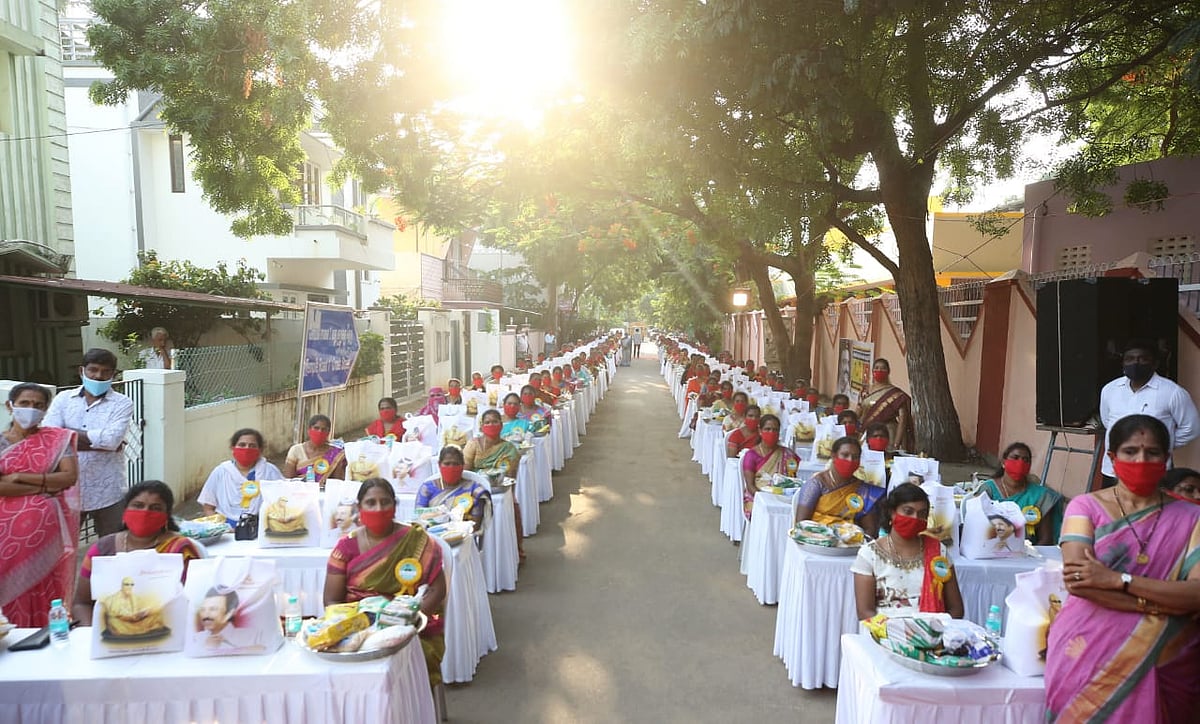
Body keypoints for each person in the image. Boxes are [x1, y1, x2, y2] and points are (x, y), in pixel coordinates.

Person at [1046, 414, 1200, 720]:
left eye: (1152, 453)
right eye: (1131, 451)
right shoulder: (1084, 507)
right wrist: (1164, 604)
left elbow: (1196, 595)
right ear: (1112, 457)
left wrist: (1116, 579)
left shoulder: (1192, 517)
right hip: (1088, 648)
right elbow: (1080, 582)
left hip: (1167, 656)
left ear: (1166, 458)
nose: (1141, 459)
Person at [325, 479, 448, 684]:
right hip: (357, 629)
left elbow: (438, 589)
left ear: (395, 506)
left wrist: (407, 623)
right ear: (359, 507)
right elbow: (331, 600)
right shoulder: (345, 547)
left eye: (385, 502)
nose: (378, 508)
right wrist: (352, 629)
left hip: (408, 627)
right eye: (371, 503)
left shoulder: (417, 540)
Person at [0, 383, 80, 627]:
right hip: (6, 536)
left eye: (38, 405)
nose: (31, 409)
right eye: (25, 403)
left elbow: (69, 477)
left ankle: (44, 633)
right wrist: (46, 488)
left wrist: (19, 477)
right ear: (9, 406)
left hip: (46, 537)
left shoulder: (57, 440)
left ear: (46, 410)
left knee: (44, 585)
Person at [72, 480, 201, 624]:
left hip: (166, 631)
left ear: (166, 517)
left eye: (155, 508)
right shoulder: (102, 549)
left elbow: (195, 601)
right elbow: (81, 603)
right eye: (138, 505)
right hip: (109, 635)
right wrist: (90, 634)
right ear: (125, 511)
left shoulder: (180, 550)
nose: (145, 512)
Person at [44, 348, 135, 537]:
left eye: (106, 371)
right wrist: (102, 444)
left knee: (113, 548)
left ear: (113, 374)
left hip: (108, 490)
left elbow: (111, 439)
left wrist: (67, 437)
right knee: (63, 548)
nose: (99, 376)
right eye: (93, 370)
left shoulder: (123, 403)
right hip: (68, 490)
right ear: (81, 371)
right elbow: (50, 436)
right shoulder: (63, 399)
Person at [852, 484, 964, 620]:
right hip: (884, 634)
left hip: (931, 634)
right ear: (892, 513)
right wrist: (898, 633)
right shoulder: (869, 554)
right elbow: (865, 613)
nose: (915, 518)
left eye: (922, 514)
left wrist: (933, 631)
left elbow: (956, 609)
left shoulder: (937, 552)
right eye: (908, 511)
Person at [1098, 339, 1198, 487]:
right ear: (1123, 363)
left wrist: (1161, 444)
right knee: (1113, 508)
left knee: (1155, 510)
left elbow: (1191, 428)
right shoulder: (1110, 390)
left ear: (1155, 363)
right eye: (1130, 359)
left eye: (1143, 359)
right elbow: (1107, 421)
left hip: (1154, 471)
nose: (1135, 363)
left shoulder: (1172, 392)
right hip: (1114, 471)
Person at [463, 408, 525, 559]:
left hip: (499, 490)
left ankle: (513, 553)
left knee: (514, 509)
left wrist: (509, 497)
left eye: (495, 421)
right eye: (487, 422)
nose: (491, 425)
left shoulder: (509, 449)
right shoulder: (473, 445)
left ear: (501, 425)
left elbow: (510, 479)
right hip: (476, 490)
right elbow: (465, 473)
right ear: (482, 426)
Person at [973, 442, 1064, 545]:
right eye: (1015, 457)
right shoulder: (987, 489)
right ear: (1004, 462)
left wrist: (1028, 557)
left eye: (1026, 460)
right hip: (989, 550)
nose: (1020, 463)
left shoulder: (1041, 496)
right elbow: (975, 527)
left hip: (1027, 554)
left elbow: (1046, 539)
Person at [793, 437, 883, 532]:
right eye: (845, 455)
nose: (850, 460)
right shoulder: (816, 484)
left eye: (855, 457)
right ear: (833, 456)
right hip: (816, 539)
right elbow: (801, 524)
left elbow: (870, 530)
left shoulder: (863, 489)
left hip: (851, 542)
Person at [198, 428, 285, 525]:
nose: (247, 449)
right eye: (242, 445)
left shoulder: (269, 471)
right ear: (232, 448)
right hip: (225, 529)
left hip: (260, 528)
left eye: (252, 446)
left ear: (260, 450)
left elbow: (283, 502)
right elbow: (208, 506)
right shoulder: (221, 471)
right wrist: (220, 528)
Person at [415, 446, 491, 527]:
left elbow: (475, 525)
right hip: (432, 536)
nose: (451, 468)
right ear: (439, 465)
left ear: (462, 465)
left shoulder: (474, 489)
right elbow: (419, 520)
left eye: (456, 464)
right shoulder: (427, 489)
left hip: (463, 535)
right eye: (447, 464)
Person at [740, 414, 799, 518]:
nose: (771, 433)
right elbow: (750, 487)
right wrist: (765, 499)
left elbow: (792, 480)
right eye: (767, 429)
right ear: (760, 431)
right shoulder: (751, 455)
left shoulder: (788, 454)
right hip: (758, 497)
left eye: (775, 430)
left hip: (782, 496)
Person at [857, 358, 913, 451]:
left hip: (888, 433)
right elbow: (858, 413)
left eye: (883, 368)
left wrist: (897, 444)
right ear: (872, 371)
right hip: (868, 432)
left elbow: (903, 420)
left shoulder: (896, 394)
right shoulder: (865, 391)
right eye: (877, 368)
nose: (879, 371)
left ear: (888, 371)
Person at [191, 588, 265, 651]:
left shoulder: (254, 635)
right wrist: (205, 647)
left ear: (229, 613)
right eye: (203, 609)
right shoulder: (196, 639)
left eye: (213, 609)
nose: (206, 615)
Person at [283, 414, 346, 486]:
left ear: (328, 433)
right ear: (309, 430)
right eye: (316, 428)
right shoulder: (296, 450)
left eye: (324, 429)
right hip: (299, 492)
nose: (320, 432)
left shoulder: (336, 454)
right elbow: (288, 480)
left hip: (324, 493)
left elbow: (337, 483)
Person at [97, 576, 166, 638]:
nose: (129, 586)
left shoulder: (134, 597)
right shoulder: (114, 599)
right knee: (113, 622)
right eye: (126, 584)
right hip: (123, 622)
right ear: (122, 586)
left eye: (131, 584)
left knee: (156, 616)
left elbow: (140, 609)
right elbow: (114, 614)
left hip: (136, 621)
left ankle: (142, 630)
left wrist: (143, 613)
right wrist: (130, 617)